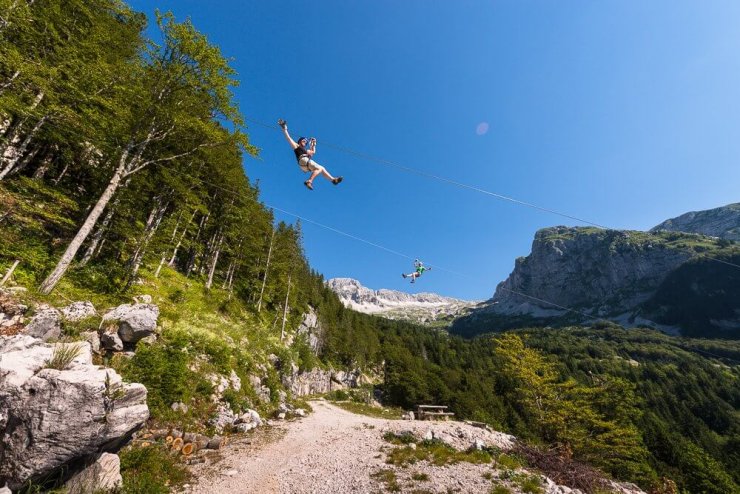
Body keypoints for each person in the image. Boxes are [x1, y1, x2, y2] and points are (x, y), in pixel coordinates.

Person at [278, 119, 343, 190]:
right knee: (319, 168)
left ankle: (333, 180)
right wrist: (284, 128)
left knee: (322, 168)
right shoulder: (296, 146)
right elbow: (288, 138)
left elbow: (313, 152)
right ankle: (309, 181)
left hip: (304, 165)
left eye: (306, 142)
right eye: (304, 140)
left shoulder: (306, 150)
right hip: (303, 161)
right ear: (300, 141)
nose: (305, 142)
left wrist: (314, 144)